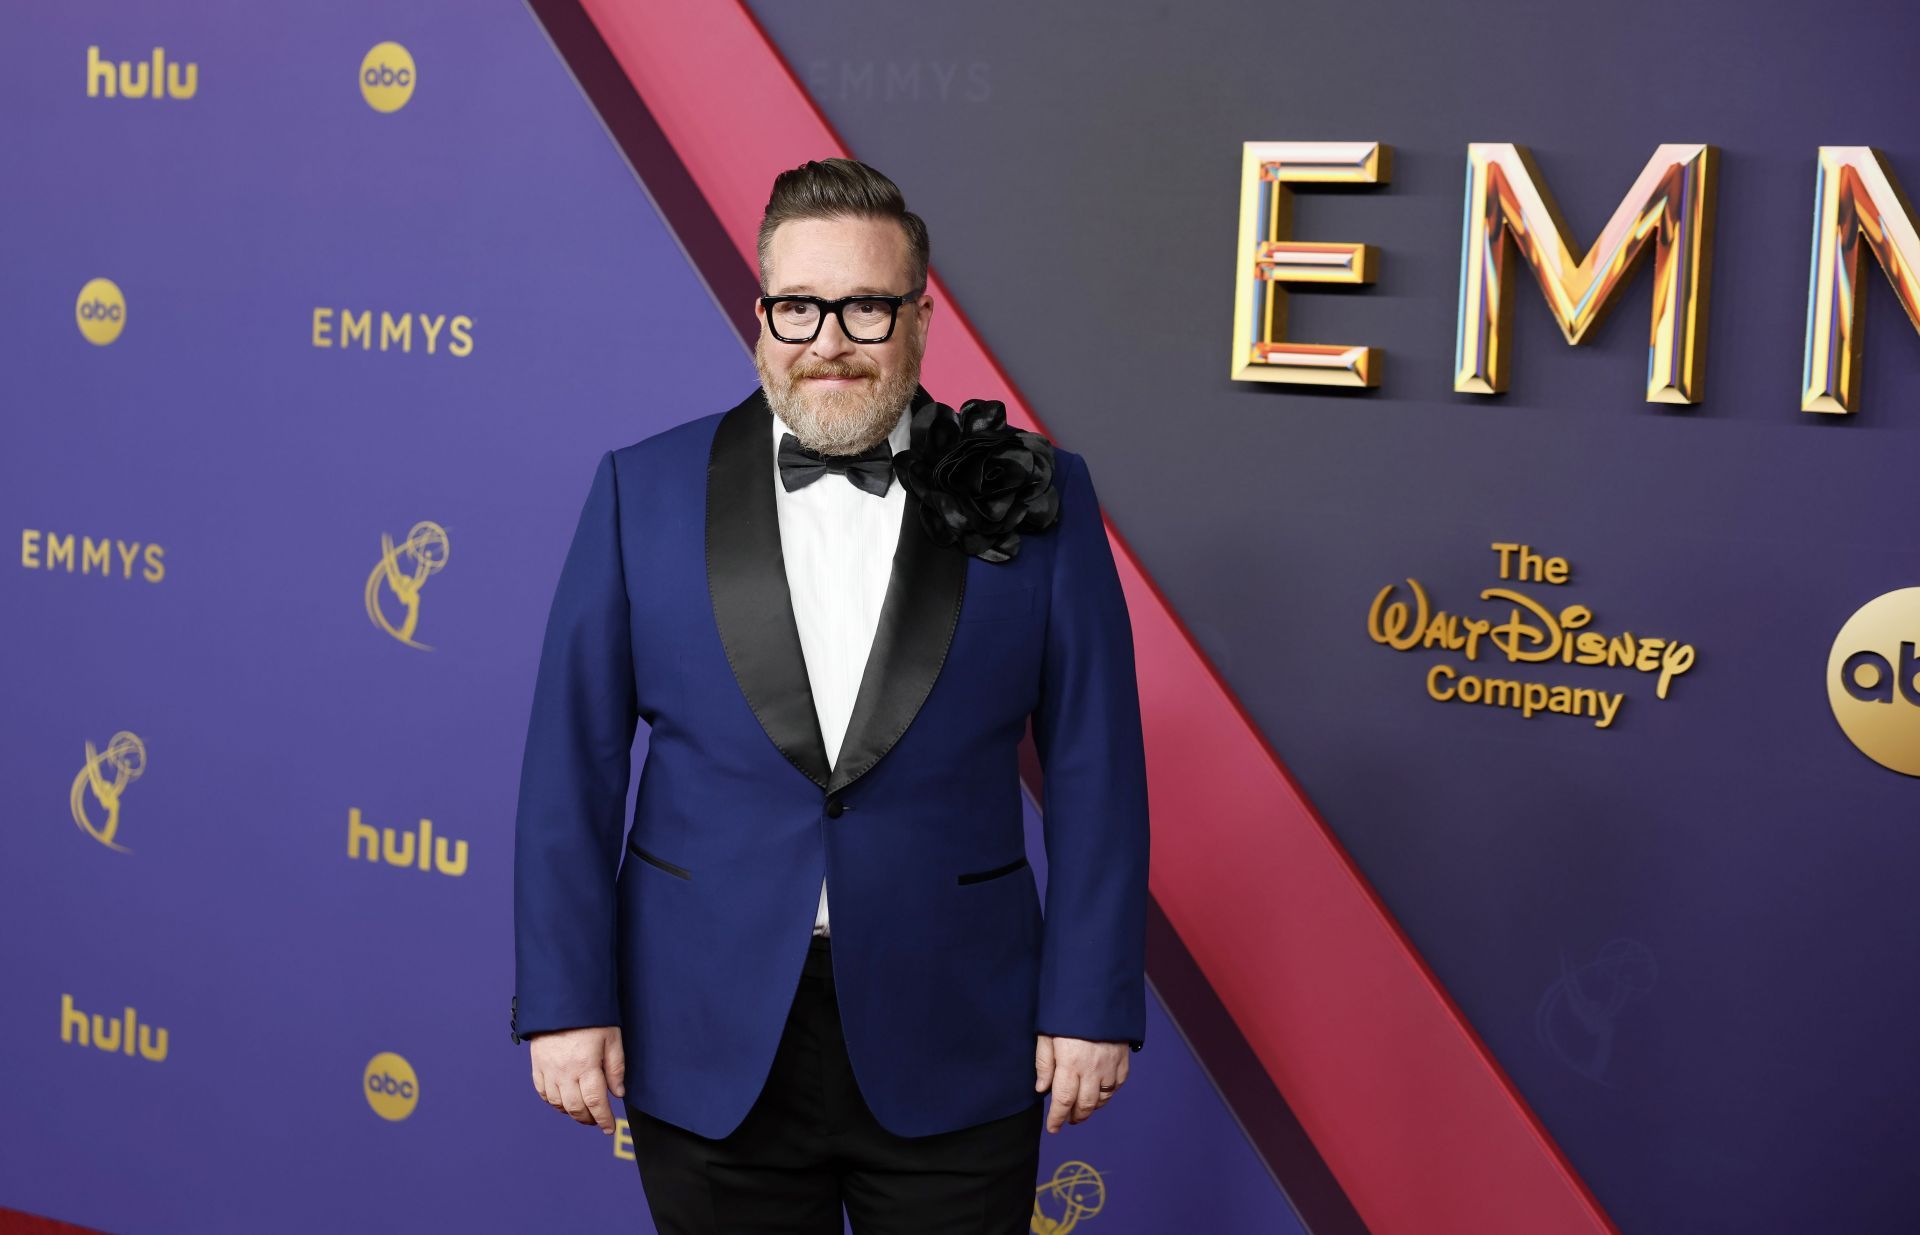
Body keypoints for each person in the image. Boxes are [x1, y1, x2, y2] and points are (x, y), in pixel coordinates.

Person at [509, 157, 1150, 1234]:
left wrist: (1091, 1001)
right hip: (703, 1024)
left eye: (865, 306)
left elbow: (1097, 768)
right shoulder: (641, 489)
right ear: (761, 315)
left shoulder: (1042, 495)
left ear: (921, 316)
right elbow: (569, 765)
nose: (830, 341)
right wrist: (567, 1001)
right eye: (799, 307)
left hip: (957, 1023)